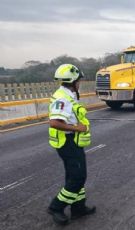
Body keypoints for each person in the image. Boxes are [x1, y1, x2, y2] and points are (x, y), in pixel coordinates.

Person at [47, 64, 95, 225]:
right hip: (67, 142)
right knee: (78, 176)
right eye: (79, 80)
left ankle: (78, 208)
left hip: (71, 141)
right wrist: (77, 128)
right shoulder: (62, 97)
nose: (80, 82)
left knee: (74, 175)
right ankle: (56, 207)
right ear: (73, 80)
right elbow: (54, 122)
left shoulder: (68, 94)